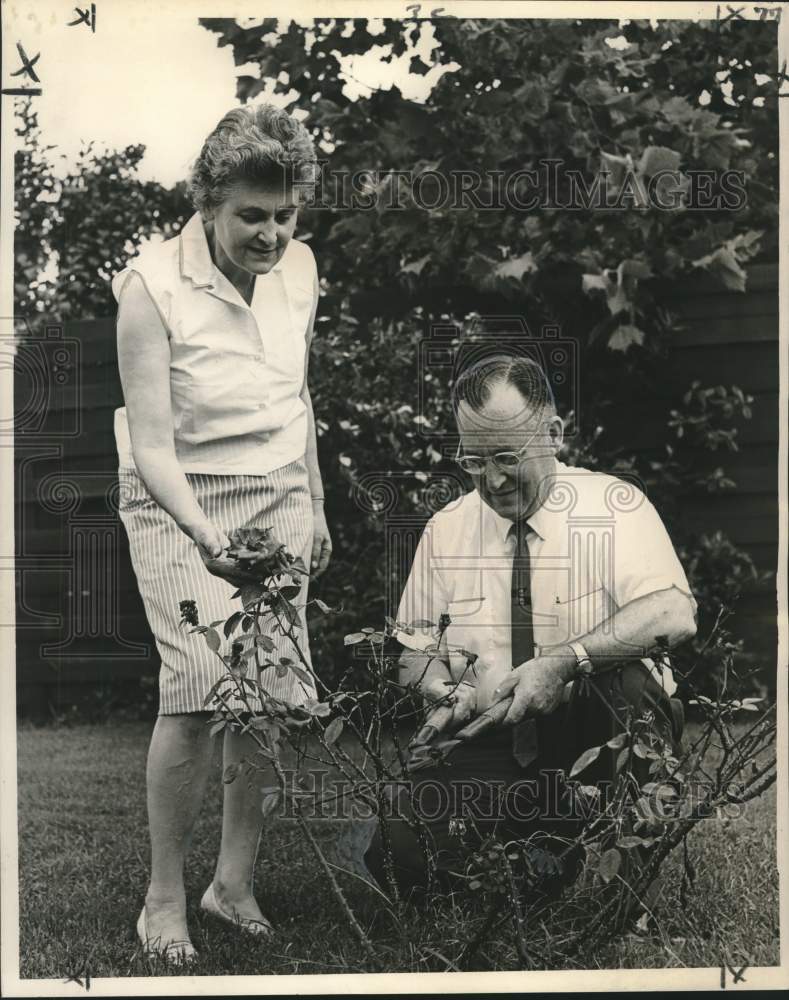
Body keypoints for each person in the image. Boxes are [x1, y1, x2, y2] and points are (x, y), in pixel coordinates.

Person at [113, 104, 332, 963]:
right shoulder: (150, 290)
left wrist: (311, 500)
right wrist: (205, 535)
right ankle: (163, 896)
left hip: (276, 494)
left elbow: (298, 398)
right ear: (207, 202)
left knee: (272, 695)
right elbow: (154, 446)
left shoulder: (302, 271)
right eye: (251, 216)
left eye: (285, 217)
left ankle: (231, 883)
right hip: (180, 497)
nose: (272, 235)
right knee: (201, 685)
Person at [363, 353, 695, 904]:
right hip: (492, 738)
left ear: (555, 433)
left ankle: (636, 898)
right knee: (403, 851)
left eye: (507, 456)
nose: (491, 479)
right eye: (474, 460)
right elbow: (413, 648)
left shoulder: (613, 506)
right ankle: (527, 871)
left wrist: (564, 662)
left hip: (595, 730)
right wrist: (444, 690)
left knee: (631, 686)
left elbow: (673, 614)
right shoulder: (446, 529)